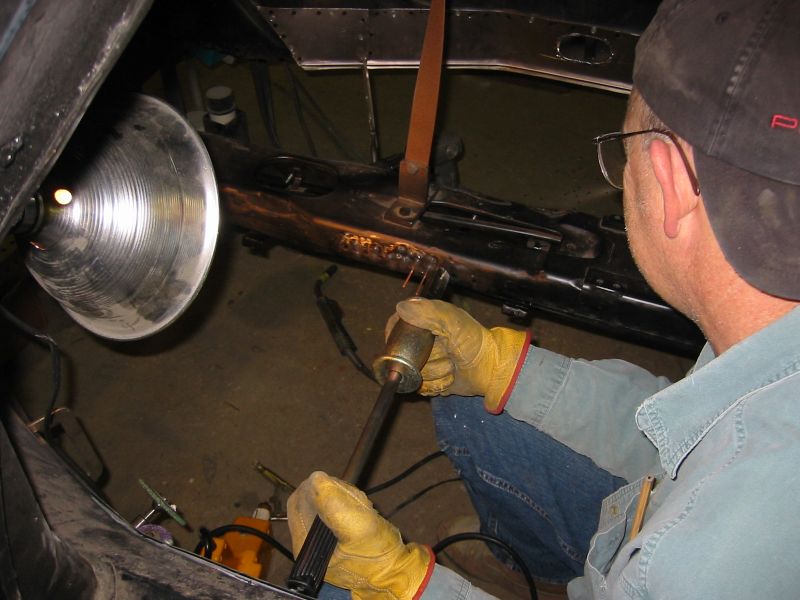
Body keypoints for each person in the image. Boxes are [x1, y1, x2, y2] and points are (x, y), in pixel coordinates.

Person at [288, 0, 800, 598]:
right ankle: (533, 574)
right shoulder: (769, 341)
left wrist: (404, 587)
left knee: (328, 588)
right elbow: (677, 437)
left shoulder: (693, 569)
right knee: (477, 403)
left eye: (624, 151)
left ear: (667, 176)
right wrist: (505, 368)